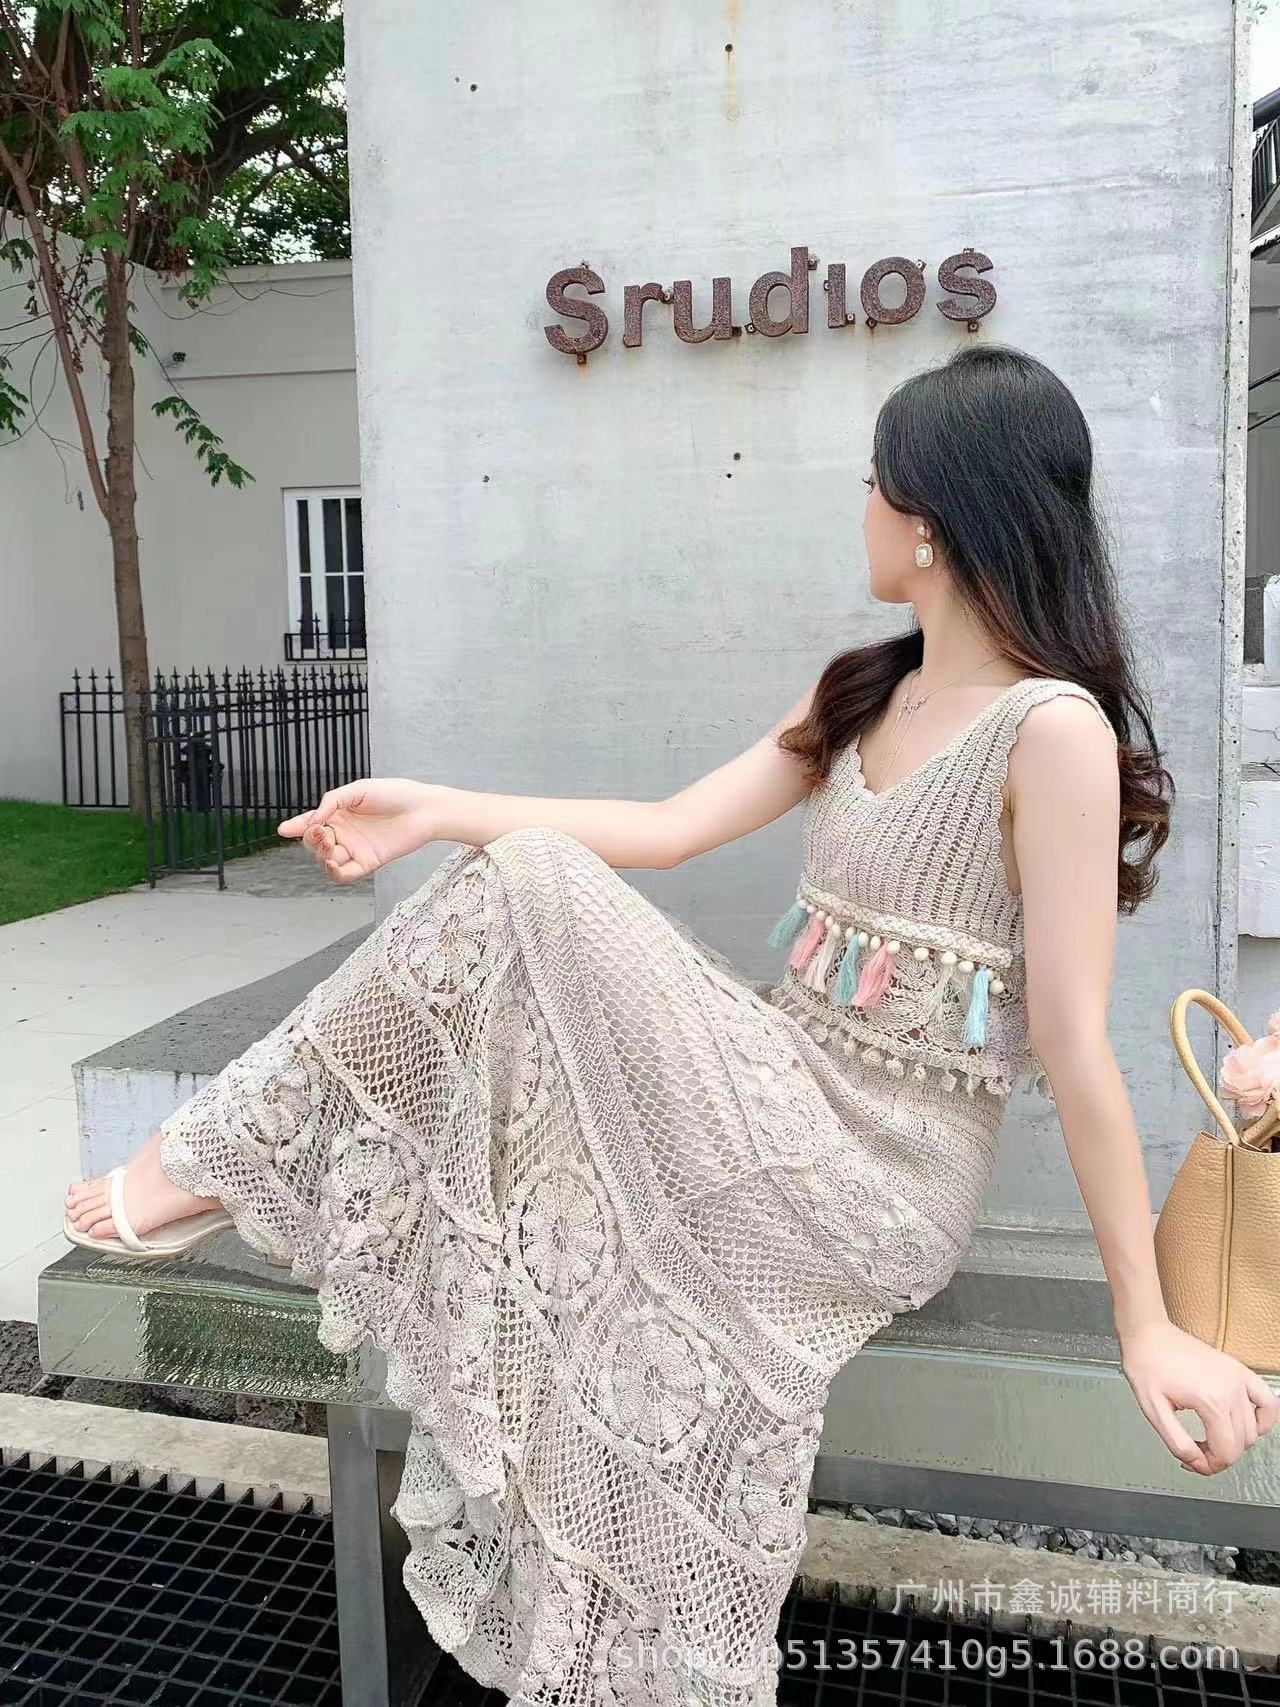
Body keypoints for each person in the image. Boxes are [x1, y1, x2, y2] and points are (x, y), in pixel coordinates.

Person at [65, 342, 1276, 1707]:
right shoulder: (865, 687)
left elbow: (1074, 1040)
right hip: (773, 1084)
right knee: (519, 887)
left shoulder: (1051, 733)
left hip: (878, 1181)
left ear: (931, 519)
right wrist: (435, 808)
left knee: (532, 885)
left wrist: (1144, 1326)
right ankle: (228, 1160)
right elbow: (666, 828)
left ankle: (221, 1160)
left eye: (874, 485)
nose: (863, 510)